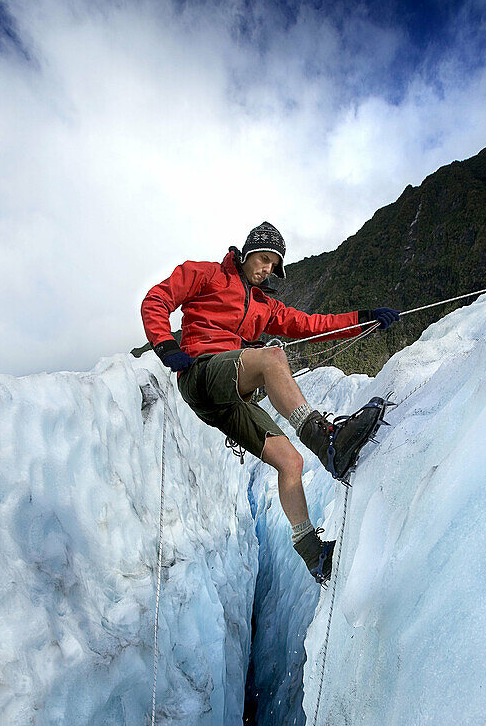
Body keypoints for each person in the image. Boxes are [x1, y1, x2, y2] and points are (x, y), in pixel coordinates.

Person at [140, 221, 399, 584]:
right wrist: (167, 347)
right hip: (201, 374)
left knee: (289, 461)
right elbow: (156, 299)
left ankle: (312, 553)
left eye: (274, 266)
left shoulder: (265, 306)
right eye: (263, 260)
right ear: (246, 254)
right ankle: (327, 442)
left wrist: (363, 319)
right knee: (273, 357)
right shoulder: (207, 275)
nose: (267, 270)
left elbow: (312, 324)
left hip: (229, 397)